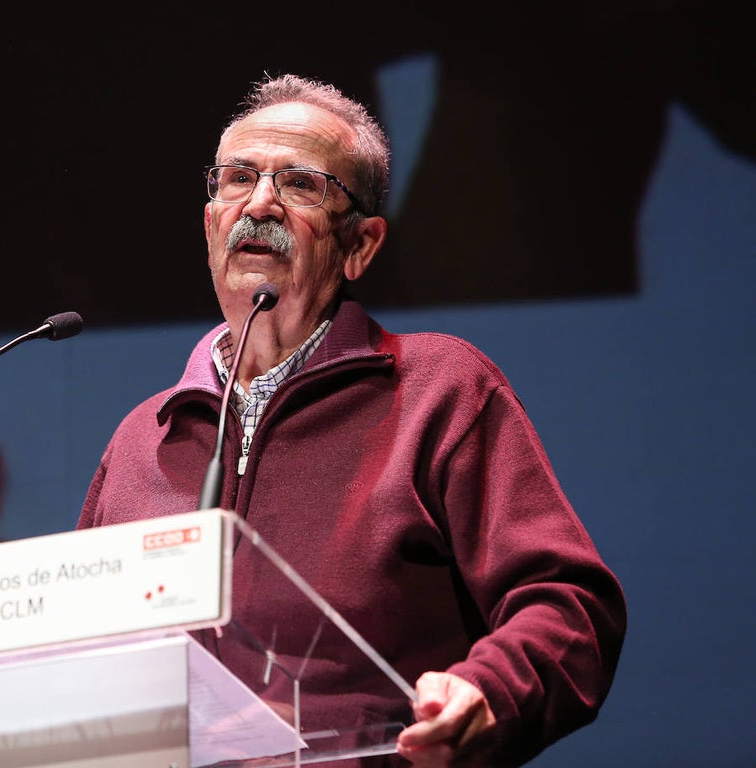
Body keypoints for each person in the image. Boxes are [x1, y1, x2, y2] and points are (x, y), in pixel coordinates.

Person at [76, 73, 626, 768]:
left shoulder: (439, 392)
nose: (260, 202)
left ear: (360, 246)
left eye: (300, 184)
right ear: (211, 222)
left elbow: (570, 605)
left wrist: (484, 692)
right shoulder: (140, 439)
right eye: (238, 178)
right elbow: (81, 662)